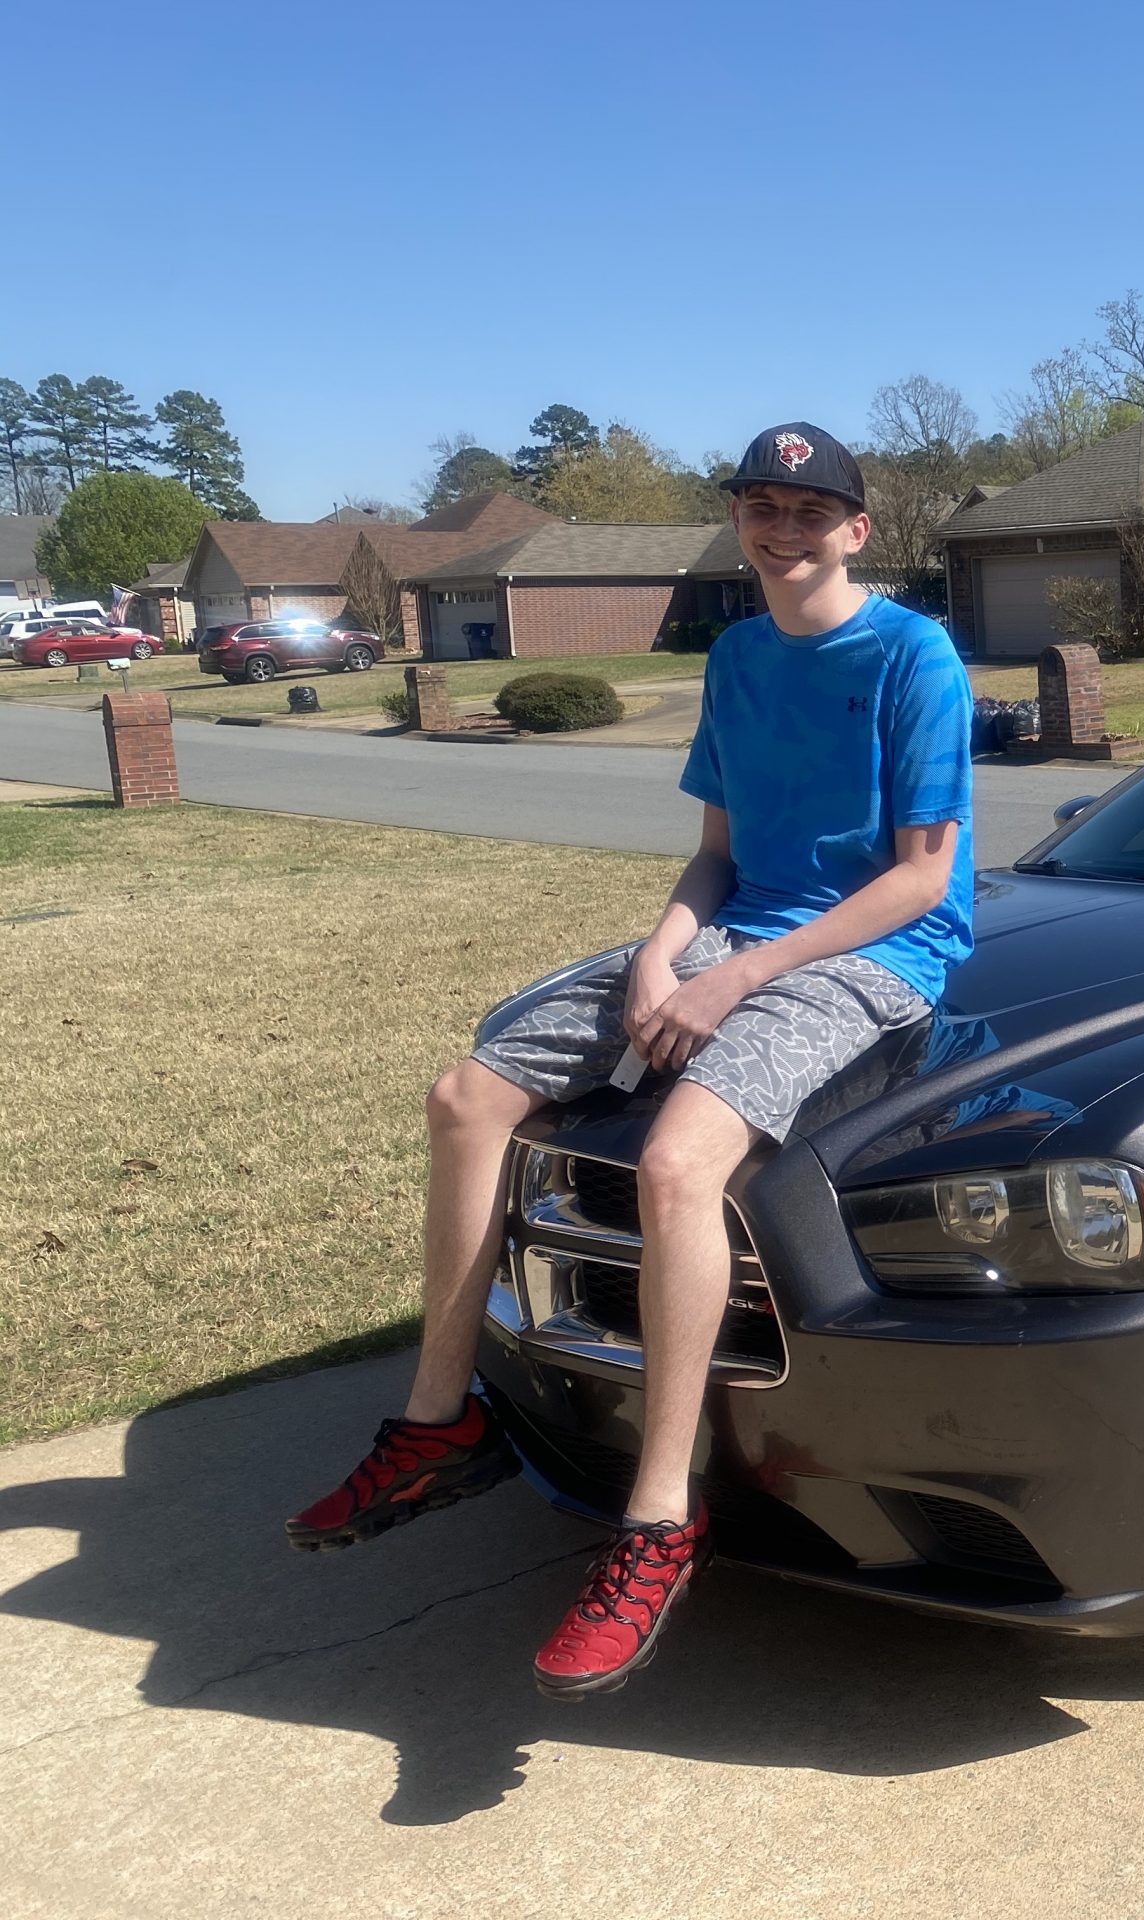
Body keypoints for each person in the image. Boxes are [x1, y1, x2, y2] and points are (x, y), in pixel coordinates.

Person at [285, 422, 974, 1698]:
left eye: (810, 511)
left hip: (876, 957)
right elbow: (717, 855)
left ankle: (659, 1519)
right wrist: (666, 955)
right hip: (730, 933)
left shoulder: (912, 655)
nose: (783, 530)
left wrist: (735, 976)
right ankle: (438, 1425)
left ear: (856, 529)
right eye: (761, 507)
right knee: (467, 1095)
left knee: (676, 1162)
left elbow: (920, 876)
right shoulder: (737, 654)